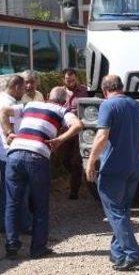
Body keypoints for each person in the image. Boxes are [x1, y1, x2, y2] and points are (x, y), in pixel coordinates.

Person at [0, 87, 84, 259]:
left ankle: (11, 247)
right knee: (40, 205)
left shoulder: (30, 104)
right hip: (38, 156)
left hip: (14, 153)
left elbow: (3, 110)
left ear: (47, 97)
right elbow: (78, 125)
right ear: (64, 101)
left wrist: (8, 132)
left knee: (13, 202)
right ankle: (37, 249)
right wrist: (60, 139)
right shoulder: (62, 110)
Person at [85, 75, 139, 271]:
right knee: (122, 211)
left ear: (105, 90)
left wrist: (91, 161)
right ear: (121, 87)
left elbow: (102, 136)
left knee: (114, 211)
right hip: (133, 166)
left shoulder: (107, 105)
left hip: (113, 167)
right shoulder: (136, 105)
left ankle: (132, 253)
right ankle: (118, 253)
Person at [0, 75, 31, 233]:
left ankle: (9, 225)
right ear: (16, 87)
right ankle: (19, 226)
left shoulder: (1, 101)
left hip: (3, 153)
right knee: (17, 192)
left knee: (9, 192)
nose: (24, 92)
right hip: (10, 153)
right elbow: (14, 130)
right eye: (23, 89)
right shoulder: (7, 105)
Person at [60, 68, 88, 199]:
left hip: (79, 130)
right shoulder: (59, 92)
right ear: (63, 79)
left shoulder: (85, 90)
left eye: (72, 79)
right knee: (64, 158)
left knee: (76, 161)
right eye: (67, 79)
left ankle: (74, 191)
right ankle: (75, 176)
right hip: (64, 130)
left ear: (76, 78)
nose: (70, 82)